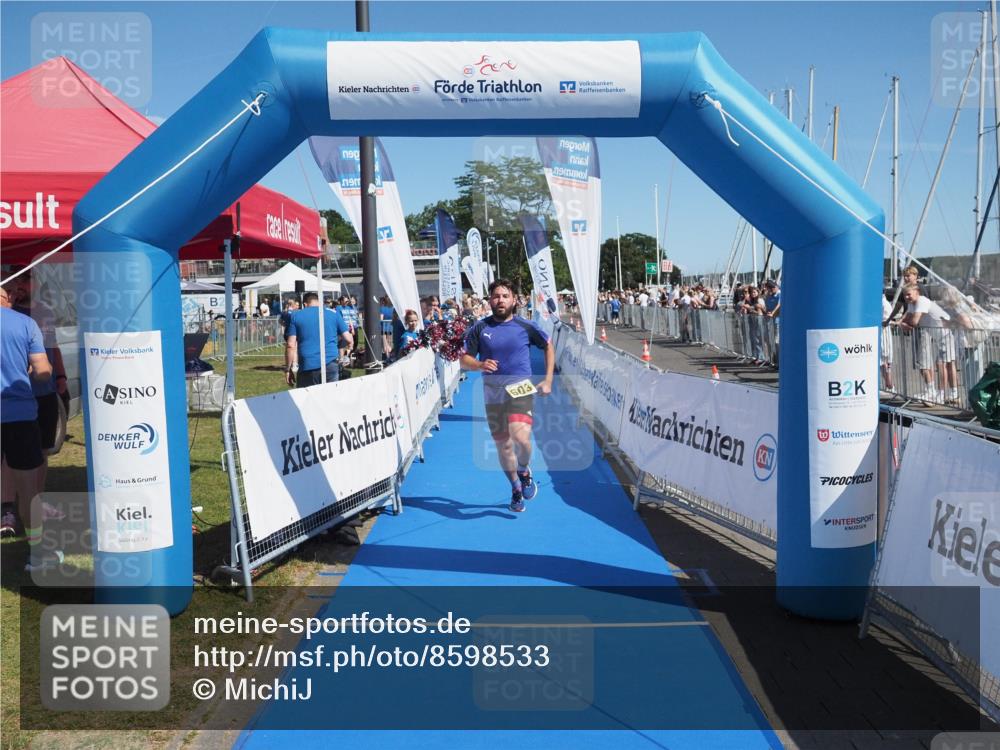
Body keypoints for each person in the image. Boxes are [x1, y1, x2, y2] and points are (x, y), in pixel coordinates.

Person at [461, 279, 554, 513]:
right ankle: (515, 487)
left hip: (520, 387)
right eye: (495, 296)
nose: (500, 300)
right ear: (489, 300)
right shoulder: (480, 328)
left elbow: (548, 345)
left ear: (513, 300)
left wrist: (549, 379)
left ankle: (524, 470)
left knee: (521, 438)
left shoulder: (526, 326)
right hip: (492, 392)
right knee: (503, 446)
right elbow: (464, 359)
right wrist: (480, 364)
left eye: (504, 296)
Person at [1, 285, 57, 569]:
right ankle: (37, 555)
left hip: (16, 414)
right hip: (19, 415)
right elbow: (43, 370)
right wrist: (30, 372)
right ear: (7, 298)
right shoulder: (25, 323)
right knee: (28, 490)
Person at [900, 283, 955, 403]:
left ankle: (941, 396)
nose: (906, 297)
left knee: (941, 364)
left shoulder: (922, 301)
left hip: (946, 334)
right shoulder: (912, 304)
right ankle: (939, 394)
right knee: (939, 364)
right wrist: (902, 323)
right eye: (905, 295)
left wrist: (905, 324)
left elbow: (914, 321)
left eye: (909, 294)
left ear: (917, 292)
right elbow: (905, 319)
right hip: (936, 336)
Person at [285, 292, 352, 387]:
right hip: (330, 363)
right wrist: (344, 348)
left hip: (307, 365)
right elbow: (349, 338)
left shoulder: (296, 316)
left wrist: (288, 369)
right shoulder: (334, 314)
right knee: (330, 398)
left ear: (305, 304)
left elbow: (291, 345)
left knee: (307, 399)